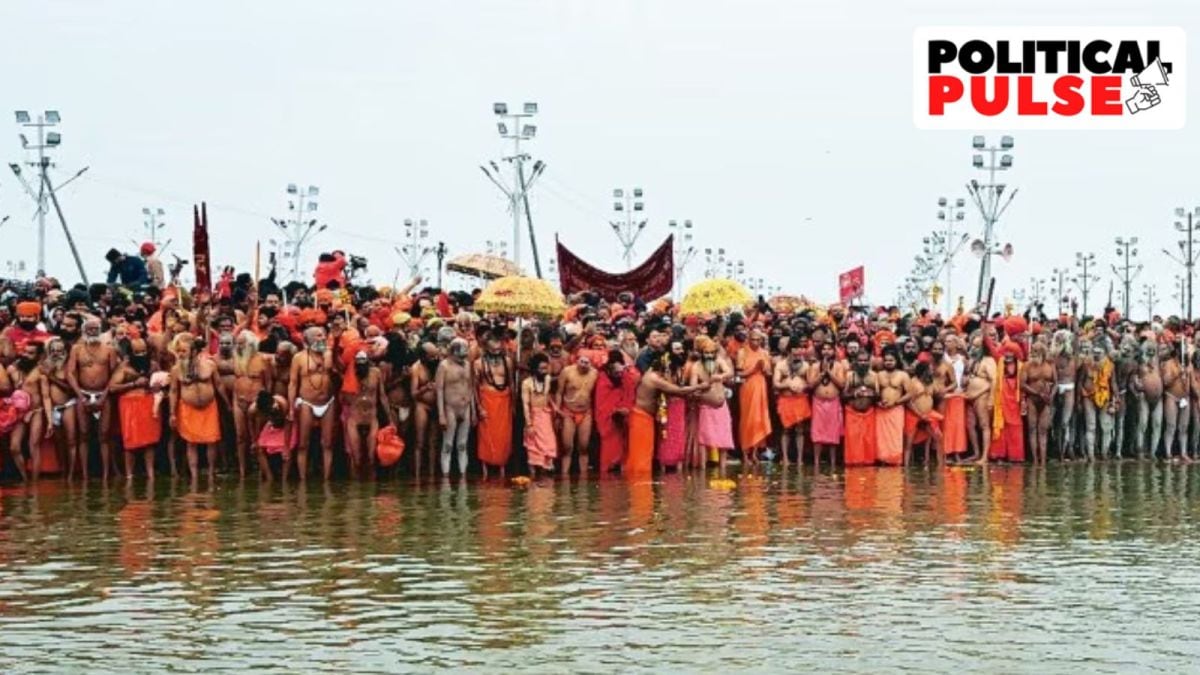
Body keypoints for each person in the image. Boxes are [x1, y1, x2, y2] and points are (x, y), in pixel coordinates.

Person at [67, 316, 120, 481]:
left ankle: (105, 475)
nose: (92, 331)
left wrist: (104, 395)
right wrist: (79, 395)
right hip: (83, 394)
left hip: (103, 395)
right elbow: (70, 373)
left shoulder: (109, 349)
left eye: (95, 329)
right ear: (83, 331)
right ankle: (84, 474)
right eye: (89, 329)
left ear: (100, 330)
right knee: (83, 434)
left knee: (104, 435)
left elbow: (114, 375)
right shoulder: (76, 349)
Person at [168, 333, 224, 482]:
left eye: (183, 351)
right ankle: (194, 477)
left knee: (211, 441)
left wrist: (228, 403)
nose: (180, 354)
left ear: (193, 351)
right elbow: (173, 391)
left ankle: (211, 474)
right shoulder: (176, 369)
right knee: (190, 443)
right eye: (178, 351)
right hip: (188, 408)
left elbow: (218, 384)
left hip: (209, 408)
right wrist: (172, 413)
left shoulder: (210, 364)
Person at [289, 326, 337, 481]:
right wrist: (290, 408)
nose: (322, 338)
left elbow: (334, 369)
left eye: (323, 335)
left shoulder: (329, 353)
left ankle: (326, 481)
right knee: (303, 444)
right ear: (308, 340)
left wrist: (332, 347)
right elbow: (293, 384)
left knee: (328, 444)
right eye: (317, 336)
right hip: (307, 402)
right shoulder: (299, 357)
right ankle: (302, 480)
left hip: (327, 402)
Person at [108, 338, 160, 480]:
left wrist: (157, 386)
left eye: (143, 351)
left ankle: (151, 474)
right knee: (130, 442)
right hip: (129, 405)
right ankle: (129, 475)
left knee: (150, 441)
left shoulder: (153, 365)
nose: (141, 354)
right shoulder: (124, 367)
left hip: (149, 403)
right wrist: (134, 384)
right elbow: (112, 387)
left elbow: (161, 381)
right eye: (137, 352)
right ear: (130, 353)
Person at [341, 349, 389, 478]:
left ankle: (370, 490)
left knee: (371, 457)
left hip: (371, 419)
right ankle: (356, 492)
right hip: (354, 419)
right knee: (356, 458)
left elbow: (382, 396)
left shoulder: (376, 373)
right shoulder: (349, 374)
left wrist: (390, 419)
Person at [8, 340, 50, 482]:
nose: (26, 355)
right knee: (14, 447)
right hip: (19, 412)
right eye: (25, 352)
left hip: (36, 411)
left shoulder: (41, 371)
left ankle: (35, 483)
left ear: (39, 356)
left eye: (31, 353)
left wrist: (49, 421)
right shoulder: (13, 368)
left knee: (34, 445)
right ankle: (25, 479)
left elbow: (46, 397)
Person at [691, 336, 734, 472]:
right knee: (704, 440)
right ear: (701, 353)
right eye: (706, 353)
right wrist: (704, 385)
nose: (709, 355)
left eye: (711, 352)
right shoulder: (696, 366)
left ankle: (723, 470)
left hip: (721, 406)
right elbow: (693, 386)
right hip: (705, 406)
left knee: (724, 439)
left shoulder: (719, 361)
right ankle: (703, 471)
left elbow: (730, 372)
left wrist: (721, 376)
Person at [232, 331, 271, 479]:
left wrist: (262, 400)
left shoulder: (263, 359)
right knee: (241, 436)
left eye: (242, 343)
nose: (239, 346)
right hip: (238, 400)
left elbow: (268, 383)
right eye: (238, 343)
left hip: (257, 401)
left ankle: (262, 471)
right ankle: (242, 471)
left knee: (259, 436)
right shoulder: (236, 358)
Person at [474, 332, 514, 477]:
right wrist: (479, 407)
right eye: (493, 350)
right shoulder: (478, 363)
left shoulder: (507, 361)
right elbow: (475, 387)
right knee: (486, 434)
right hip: (487, 400)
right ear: (486, 348)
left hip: (504, 401)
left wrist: (513, 405)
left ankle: (502, 468)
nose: (496, 353)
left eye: (499, 350)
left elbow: (511, 383)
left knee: (504, 435)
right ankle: (485, 470)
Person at [595, 348, 639, 473]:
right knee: (608, 450)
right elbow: (601, 403)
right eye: (616, 372)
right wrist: (614, 411)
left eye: (620, 372)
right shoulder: (602, 379)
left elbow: (630, 395)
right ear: (609, 368)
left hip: (623, 419)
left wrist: (625, 409)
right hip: (608, 421)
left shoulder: (626, 376)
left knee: (624, 447)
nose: (619, 375)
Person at [435, 337, 474, 478]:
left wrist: (473, 410)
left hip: (466, 407)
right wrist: (441, 414)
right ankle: (446, 475)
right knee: (448, 444)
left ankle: (463, 475)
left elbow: (471, 388)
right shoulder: (444, 366)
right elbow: (439, 390)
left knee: (462, 444)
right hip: (450, 407)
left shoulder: (468, 365)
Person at [807, 340, 845, 470]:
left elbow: (841, 385)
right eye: (824, 349)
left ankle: (833, 463)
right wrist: (822, 373)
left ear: (834, 351)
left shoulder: (839, 366)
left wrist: (829, 372)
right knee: (817, 433)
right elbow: (811, 385)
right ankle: (817, 463)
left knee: (833, 433)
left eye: (829, 349)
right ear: (820, 352)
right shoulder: (814, 366)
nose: (826, 351)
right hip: (818, 402)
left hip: (833, 402)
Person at [558, 354, 598, 477]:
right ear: (576, 361)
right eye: (582, 361)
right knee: (567, 447)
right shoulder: (567, 371)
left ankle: (584, 479)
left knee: (584, 446)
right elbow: (559, 393)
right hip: (568, 412)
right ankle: (564, 477)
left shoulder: (595, 373)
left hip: (586, 412)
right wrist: (558, 414)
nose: (584, 364)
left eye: (587, 362)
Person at [736, 330, 773, 464]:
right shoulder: (742, 352)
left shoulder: (764, 353)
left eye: (758, 340)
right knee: (747, 419)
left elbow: (769, 373)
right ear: (748, 339)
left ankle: (755, 452)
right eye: (753, 339)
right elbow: (739, 374)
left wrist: (764, 369)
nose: (755, 342)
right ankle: (745, 453)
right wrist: (754, 369)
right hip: (747, 387)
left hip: (761, 386)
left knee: (759, 419)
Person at [773, 341, 810, 467]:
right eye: (795, 349)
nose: (798, 352)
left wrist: (803, 386)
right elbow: (776, 383)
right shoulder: (781, 365)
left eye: (800, 349)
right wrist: (787, 384)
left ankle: (800, 459)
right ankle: (785, 458)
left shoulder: (806, 365)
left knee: (800, 429)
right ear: (789, 351)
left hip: (800, 399)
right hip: (785, 399)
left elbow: (810, 383)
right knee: (785, 429)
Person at [522, 352, 558, 476]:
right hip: (533, 416)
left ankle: (546, 481)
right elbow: (526, 405)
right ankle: (533, 478)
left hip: (546, 416)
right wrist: (529, 425)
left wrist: (556, 409)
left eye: (545, 368)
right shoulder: (527, 383)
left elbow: (547, 396)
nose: (544, 371)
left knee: (549, 443)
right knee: (533, 447)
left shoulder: (547, 379)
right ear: (534, 369)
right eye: (541, 369)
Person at [1021, 342, 1056, 464]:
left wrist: (1051, 395)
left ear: (1042, 352)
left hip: (1045, 401)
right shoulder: (1027, 365)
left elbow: (1056, 383)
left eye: (1036, 351)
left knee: (1043, 431)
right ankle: (1035, 460)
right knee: (1032, 429)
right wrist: (1037, 393)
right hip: (1032, 400)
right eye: (1032, 351)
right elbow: (1023, 384)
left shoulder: (1050, 365)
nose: (1033, 353)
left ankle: (1043, 460)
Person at [990, 343, 1025, 463]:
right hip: (1001, 401)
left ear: (1016, 354)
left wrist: (1023, 402)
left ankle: (1015, 457)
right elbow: (991, 347)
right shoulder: (1000, 363)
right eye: (1006, 352)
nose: (1008, 355)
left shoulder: (1021, 367)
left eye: (1011, 352)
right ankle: (999, 456)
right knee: (1001, 427)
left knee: (1015, 428)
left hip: (1015, 402)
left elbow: (1024, 386)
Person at [875, 347, 911, 466]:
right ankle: (882, 461)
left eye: (891, 360)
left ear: (896, 361)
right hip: (881, 411)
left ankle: (895, 462)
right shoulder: (879, 375)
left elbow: (910, 393)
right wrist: (878, 402)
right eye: (886, 360)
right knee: (881, 439)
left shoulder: (903, 375)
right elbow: (876, 392)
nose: (888, 362)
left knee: (895, 437)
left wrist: (896, 402)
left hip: (896, 410)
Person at [843, 349, 878, 466]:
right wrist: (854, 393)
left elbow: (878, 395)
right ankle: (853, 465)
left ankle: (868, 467)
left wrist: (870, 393)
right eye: (860, 360)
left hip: (869, 413)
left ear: (869, 362)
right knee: (853, 441)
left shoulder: (874, 376)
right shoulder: (850, 375)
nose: (862, 363)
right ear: (855, 362)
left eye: (865, 360)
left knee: (868, 441)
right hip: (852, 413)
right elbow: (843, 395)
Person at [1134, 340, 1164, 459]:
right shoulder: (1139, 362)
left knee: (1157, 424)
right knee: (1143, 424)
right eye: (1149, 350)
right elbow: (1133, 378)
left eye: (1153, 350)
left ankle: (1153, 452)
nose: (1151, 352)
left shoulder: (1158, 361)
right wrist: (1136, 385)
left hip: (1158, 398)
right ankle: (1140, 450)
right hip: (1143, 396)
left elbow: (1170, 350)